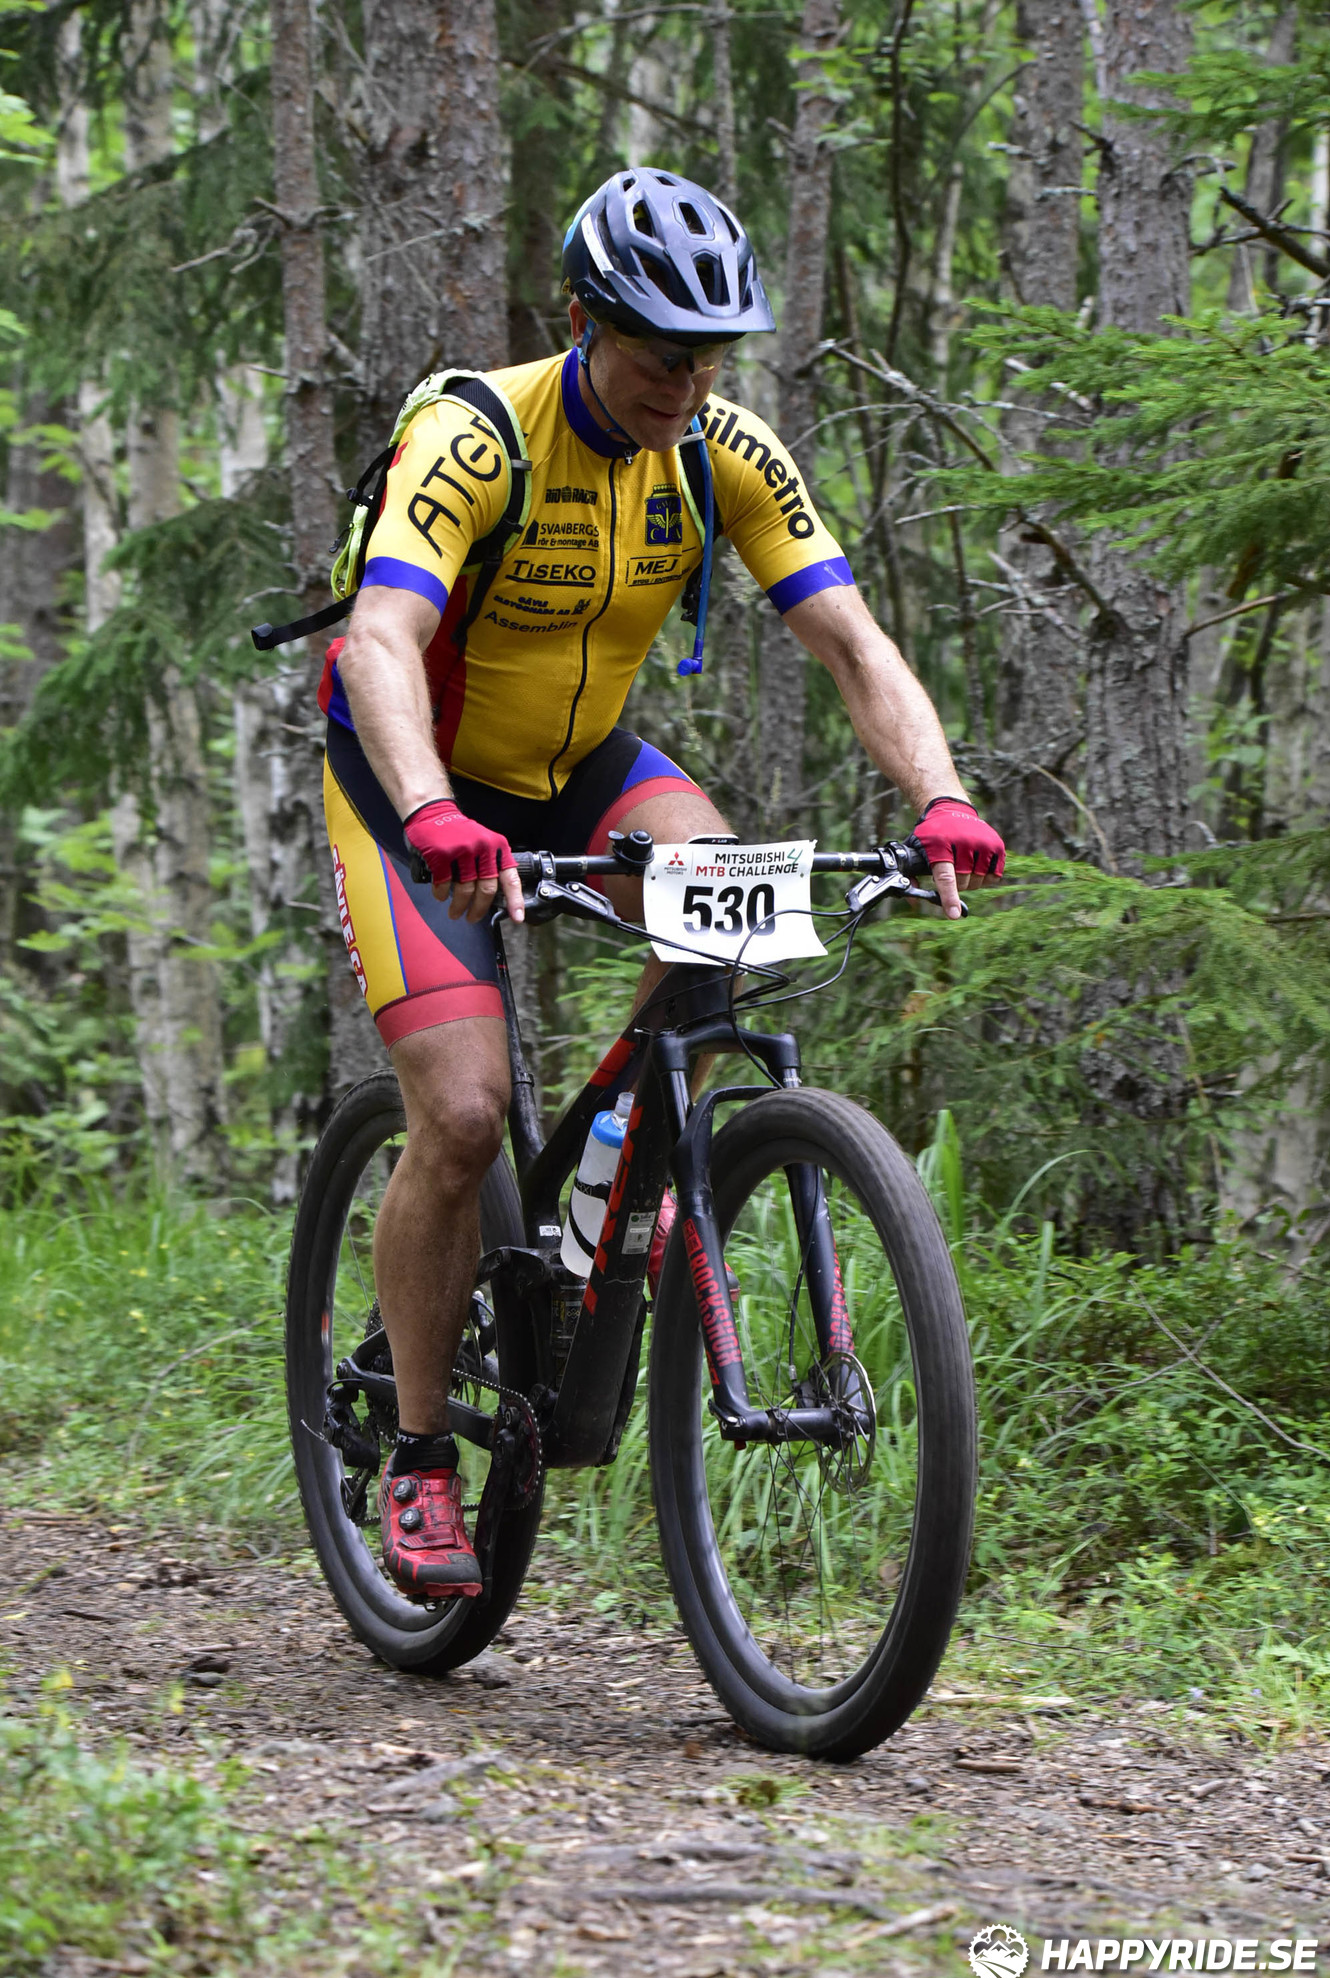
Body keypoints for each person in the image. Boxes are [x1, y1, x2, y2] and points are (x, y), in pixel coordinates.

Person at [320, 165, 1006, 1599]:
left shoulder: (724, 452)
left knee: (721, 909)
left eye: (709, 360)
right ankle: (421, 1456)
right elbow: (380, 640)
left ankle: (597, 1203)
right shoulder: (477, 437)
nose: (684, 387)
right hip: (413, 777)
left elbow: (855, 646)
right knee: (462, 1112)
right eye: (657, 355)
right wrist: (433, 810)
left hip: (580, 765)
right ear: (585, 321)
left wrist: (939, 798)